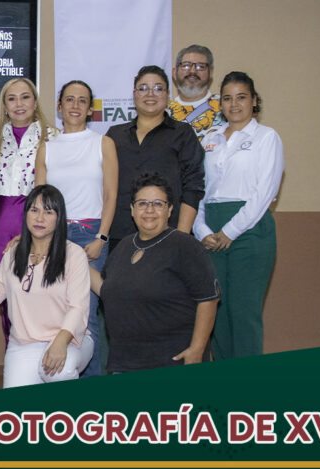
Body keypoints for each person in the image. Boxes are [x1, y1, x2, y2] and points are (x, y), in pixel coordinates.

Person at [0, 185, 92, 386]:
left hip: (69, 340)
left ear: (59, 218)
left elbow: (78, 307)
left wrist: (60, 342)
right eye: (34, 210)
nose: (40, 218)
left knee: (58, 372)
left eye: (48, 212)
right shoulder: (14, 253)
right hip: (24, 344)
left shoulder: (74, 254)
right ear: (26, 215)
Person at [194, 72, 284, 360]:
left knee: (244, 313)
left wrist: (230, 231)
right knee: (216, 313)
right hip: (211, 228)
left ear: (254, 101)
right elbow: (198, 189)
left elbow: (264, 193)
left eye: (241, 97)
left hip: (250, 229)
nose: (234, 104)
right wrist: (202, 230)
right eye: (228, 98)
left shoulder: (266, 137)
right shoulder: (211, 139)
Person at [90, 173, 219, 373]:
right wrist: (73, 257)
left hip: (172, 361)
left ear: (170, 210)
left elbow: (208, 299)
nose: (149, 210)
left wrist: (197, 349)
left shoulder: (185, 246)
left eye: (158, 203)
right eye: (142, 204)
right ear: (132, 209)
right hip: (123, 364)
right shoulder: (124, 246)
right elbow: (107, 289)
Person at [35, 80, 118, 377]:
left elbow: (110, 195)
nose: (75, 105)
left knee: (86, 319)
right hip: (54, 236)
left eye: (82, 101)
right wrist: (41, 241)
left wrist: (101, 237)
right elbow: (39, 203)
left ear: (90, 110)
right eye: (69, 99)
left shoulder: (102, 143)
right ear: (59, 106)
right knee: (55, 315)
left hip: (89, 235)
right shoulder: (46, 147)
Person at [106, 65, 205, 251]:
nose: (150, 94)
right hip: (119, 236)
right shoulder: (114, 135)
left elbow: (193, 187)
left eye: (158, 88)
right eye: (143, 88)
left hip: (167, 235)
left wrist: (180, 237)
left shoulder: (183, 134)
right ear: (134, 95)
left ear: (167, 95)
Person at [0, 77, 56, 342]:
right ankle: (14, 353)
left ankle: (42, 355)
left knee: (40, 288)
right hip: (0, 221)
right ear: (4, 105)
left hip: (37, 219)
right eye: (11, 98)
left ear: (35, 102)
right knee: (7, 291)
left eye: (25, 97)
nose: (19, 104)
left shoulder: (53, 137)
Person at [169, 44, 221, 142]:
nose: (192, 71)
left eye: (200, 66)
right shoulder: (164, 114)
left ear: (211, 72)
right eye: (186, 65)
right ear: (174, 72)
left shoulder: (226, 107)